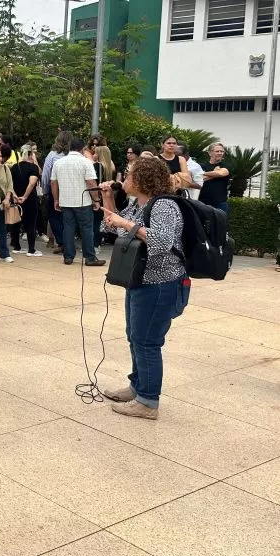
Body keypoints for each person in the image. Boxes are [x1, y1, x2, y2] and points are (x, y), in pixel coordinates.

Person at [102, 157, 189, 420]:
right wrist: (108, 200)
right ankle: (137, 387)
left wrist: (126, 224)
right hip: (140, 281)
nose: (124, 178)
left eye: (129, 174)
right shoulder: (140, 204)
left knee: (147, 341)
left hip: (161, 284)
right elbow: (112, 227)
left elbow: (161, 242)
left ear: (143, 179)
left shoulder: (163, 205)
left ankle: (148, 402)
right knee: (135, 336)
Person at [51, 137, 105, 267]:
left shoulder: (59, 163)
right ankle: (90, 257)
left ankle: (68, 256)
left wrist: (56, 199)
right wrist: (96, 199)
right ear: (82, 149)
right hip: (83, 201)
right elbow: (91, 182)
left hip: (65, 201)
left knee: (68, 229)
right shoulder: (86, 162)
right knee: (86, 229)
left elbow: (53, 182)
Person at [9, 143, 42, 256]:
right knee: (30, 224)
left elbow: (10, 184)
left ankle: (16, 246)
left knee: (16, 223)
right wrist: (25, 196)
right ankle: (31, 249)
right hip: (30, 199)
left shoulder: (14, 167)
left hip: (15, 198)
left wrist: (15, 196)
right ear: (30, 154)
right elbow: (32, 183)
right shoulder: (33, 168)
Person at [41, 131, 71, 254]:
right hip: (69, 189)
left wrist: (45, 190)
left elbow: (46, 174)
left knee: (54, 217)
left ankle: (61, 242)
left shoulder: (52, 155)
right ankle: (68, 242)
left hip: (55, 189)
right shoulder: (72, 155)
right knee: (68, 218)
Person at [199, 142, 230, 213]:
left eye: (222, 151)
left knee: (220, 224)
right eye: (217, 151)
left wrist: (203, 173)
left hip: (220, 204)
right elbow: (198, 179)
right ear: (210, 153)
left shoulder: (226, 165)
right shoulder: (201, 166)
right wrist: (214, 173)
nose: (220, 153)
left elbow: (221, 174)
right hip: (202, 203)